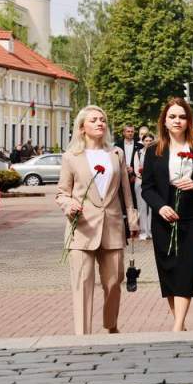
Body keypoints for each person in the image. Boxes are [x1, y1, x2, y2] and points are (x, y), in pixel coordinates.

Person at [55, 105, 139, 335]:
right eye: (93, 120)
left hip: (112, 226)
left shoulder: (116, 154)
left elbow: (126, 191)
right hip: (82, 228)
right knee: (82, 284)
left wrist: (132, 217)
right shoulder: (71, 157)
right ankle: (82, 335)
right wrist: (69, 205)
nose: (100, 123)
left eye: (102, 119)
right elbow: (62, 192)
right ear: (82, 127)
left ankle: (110, 324)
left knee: (114, 281)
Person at [141, 98, 193, 332]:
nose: (177, 121)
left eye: (182, 117)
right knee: (168, 269)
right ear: (164, 121)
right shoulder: (153, 150)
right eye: (172, 116)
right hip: (164, 215)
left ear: (188, 121)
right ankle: (180, 324)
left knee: (187, 266)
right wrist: (160, 207)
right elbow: (147, 188)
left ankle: (176, 327)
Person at [135, 131, 156, 240]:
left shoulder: (156, 152)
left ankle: (151, 231)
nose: (148, 142)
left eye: (150, 140)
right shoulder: (138, 153)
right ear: (142, 141)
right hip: (140, 182)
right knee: (142, 207)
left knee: (152, 208)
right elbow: (136, 169)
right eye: (146, 140)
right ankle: (143, 231)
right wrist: (143, 176)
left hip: (153, 183)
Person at [115, 124, 142, 203]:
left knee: (135, 198)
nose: (130, 133)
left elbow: (142, 162)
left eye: (132, 131)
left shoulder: (140, 146)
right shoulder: (117, 145)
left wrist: (134, 170)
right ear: (124, 132)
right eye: (128, 131)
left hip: (135, 177)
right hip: (120, 175)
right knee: (122, 198)